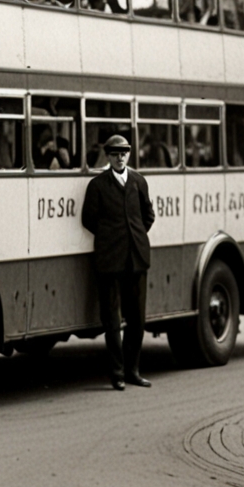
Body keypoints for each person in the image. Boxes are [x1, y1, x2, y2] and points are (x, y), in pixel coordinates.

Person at [80, 135, 155, 391]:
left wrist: (135, 236)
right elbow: (88, 219)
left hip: (136, 259)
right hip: (110, 260)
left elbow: (148, 215)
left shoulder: (138, 181)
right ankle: (117, 373)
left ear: (129, 155)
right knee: (112, 320)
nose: (119, 157)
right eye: (114, 153)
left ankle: (133, 370)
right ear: (108, 157)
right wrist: (112, 237)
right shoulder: (97, 185)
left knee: (137, 320)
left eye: (123, 153)